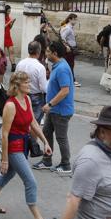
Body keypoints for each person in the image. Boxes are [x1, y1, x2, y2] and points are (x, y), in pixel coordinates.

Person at [0, 70, 55, 219]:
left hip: (23, 146)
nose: (29, 85)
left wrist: (45, 142)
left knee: (9, 174)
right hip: (13, 147)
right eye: (26, 82)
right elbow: (5, 133)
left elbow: (33, 123)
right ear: (17, 85)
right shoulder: (10, 105)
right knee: (30, 181)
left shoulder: (27, 100)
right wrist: (4, 159)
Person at [34, 41, 75, 174]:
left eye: (48, 52)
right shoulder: (58, 66)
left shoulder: (62, 68)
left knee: (61, 137)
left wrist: (50, 104)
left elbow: (65, 91)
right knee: (46, 133)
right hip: (54, 110)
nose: (45, 54)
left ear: (55, 53)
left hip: (60, 110)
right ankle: (47, 160)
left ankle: (65, 164)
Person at [15, 40, 49, 119]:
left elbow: (16, 79)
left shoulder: (20, 63)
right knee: (34, 121)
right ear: (39, 51)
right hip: (36, 96)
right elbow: (43, 88)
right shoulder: (40, 67)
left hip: (21, 94)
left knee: (22, 118)